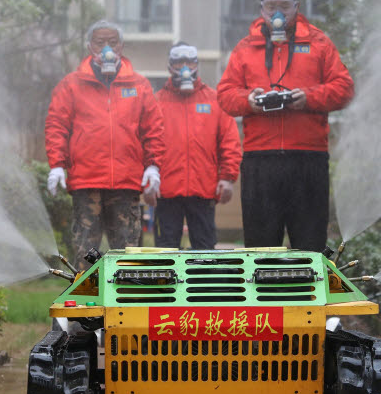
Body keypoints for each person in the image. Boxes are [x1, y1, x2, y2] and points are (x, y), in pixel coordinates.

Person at [216, 0, 353, 251]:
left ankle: (310, 295)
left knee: (310, 243)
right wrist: (250, 100)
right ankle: (264, 294)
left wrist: (309, 97)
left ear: (297, 6)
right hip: (260, 159)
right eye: (270, 7)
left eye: (285, 6)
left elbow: (345, 88)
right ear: (261, 8)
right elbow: (225, 95)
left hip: (308, 157)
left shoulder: (319, 43)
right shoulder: (246, 48)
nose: (277, 13)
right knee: (261, 245)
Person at [44, 20, 165, 259]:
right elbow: (57, 126)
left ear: (121, 46)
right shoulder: (71, 85)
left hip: (126, 183)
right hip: (86, 183)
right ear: (90, 46)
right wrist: (57, 165)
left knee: (127, 255)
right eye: (100, 43)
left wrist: (153, 165)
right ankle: (84, 297)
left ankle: (128, 297)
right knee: (85, 254)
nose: (107, 49)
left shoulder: (139, 85)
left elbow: (153, 129)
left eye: (112, 42)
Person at [149, 42, 242, 249]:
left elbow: (230, 142)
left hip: (204, 190)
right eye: (179, 62)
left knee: (205, 253)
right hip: (166, 192)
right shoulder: (156, 102)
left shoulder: (214, 100)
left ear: (197, 65)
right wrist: (147, 179)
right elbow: (146, 143)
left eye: (189, 62)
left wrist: (227, 178)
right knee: (165, 252)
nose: (184, 68)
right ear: (169, 66)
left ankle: (204, 283)